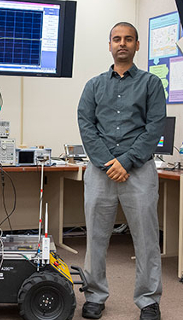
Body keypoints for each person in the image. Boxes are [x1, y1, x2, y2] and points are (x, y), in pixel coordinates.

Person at [78, 22, 166, 320]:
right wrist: (107, 162)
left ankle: (148, 300)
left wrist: (126, 161)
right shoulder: (94, 85)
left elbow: (154, 127)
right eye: (117, 39)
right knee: (96, 237)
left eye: (129, 39)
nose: (122, 43)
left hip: (138, 170)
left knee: (146, 238)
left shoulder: (151, 84)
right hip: (100, 170)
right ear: (110, 44)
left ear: (137, 45)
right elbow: (86, 126)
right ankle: (95, 295)